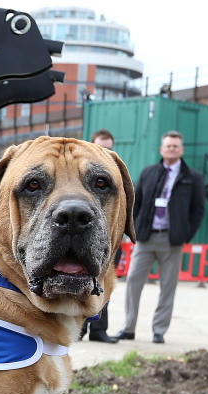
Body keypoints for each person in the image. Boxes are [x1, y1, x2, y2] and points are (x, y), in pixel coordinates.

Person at [118, 131, 205, 344]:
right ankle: (129, 327)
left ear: (181, 150)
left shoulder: (192, 177)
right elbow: (135, 204)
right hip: (146, 238)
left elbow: (198, 210)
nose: (171, 149)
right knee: (133, 282)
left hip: (171, 240)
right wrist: (134, 230)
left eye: (175, 146)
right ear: (161, 149)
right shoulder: (149, 172)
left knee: (168, 287)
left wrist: (185, 234)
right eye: (168, 146)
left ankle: (159, 330)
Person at [80, 128, 119, 343]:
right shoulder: (76, 173)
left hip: (106, 238)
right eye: (100, 148)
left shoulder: (116, 177)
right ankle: (79, 329)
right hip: (80, 234)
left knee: (102, 282)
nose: (105, 154)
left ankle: (98, 330)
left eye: (109, 149)